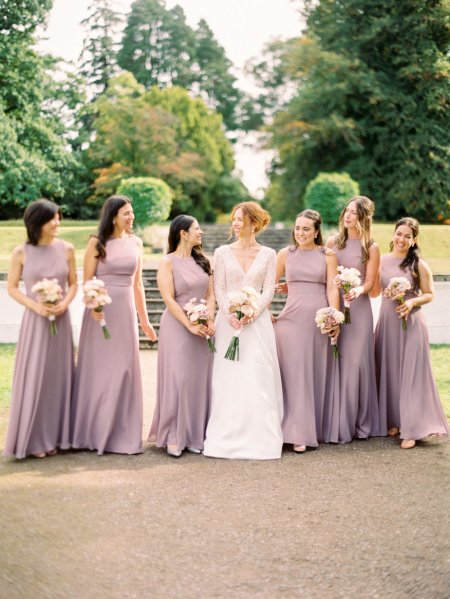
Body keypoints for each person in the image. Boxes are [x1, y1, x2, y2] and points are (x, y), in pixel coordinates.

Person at [71, 195, 157, 455]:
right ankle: (93, 433)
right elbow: (87, 281)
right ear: (112, 217)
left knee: (124, 370)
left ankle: (122, 436)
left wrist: (145, 321)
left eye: (132, 213)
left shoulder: (137, 243)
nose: (131, 218)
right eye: (126, 214)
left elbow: (138, 285)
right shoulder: (97, 243)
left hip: (126, 312)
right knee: (99, 371)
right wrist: (93, 305)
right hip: (100, 313)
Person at [203, 202, 283, 460]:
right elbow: (220, 288)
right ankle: (227, 434)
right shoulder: (222, 252)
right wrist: (229, 313)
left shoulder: (269, 254)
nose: (235, 224)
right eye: (234, 219)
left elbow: (268, 289)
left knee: (258, 375)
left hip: (257, 325)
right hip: (229, 324)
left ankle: (260, 437)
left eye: (240, 219)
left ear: (254, 223)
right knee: (229, 377)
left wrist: (253, 311)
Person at [4, 199, 77, 459]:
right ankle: (34, 439)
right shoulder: (20, 252)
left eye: (59, 217)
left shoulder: (67, 249)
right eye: (52, 219)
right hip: (35, 322)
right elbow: (12, 288)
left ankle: (59, 437)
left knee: (58, 376)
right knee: (36, 375)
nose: (58, 223)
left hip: (61, 320)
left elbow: (73, 285)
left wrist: (64, 305)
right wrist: (36, 307)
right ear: (37, 223)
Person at [372, 217, 448, 449]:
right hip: (387, 321)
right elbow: (375, 291)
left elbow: (429, 294)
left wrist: (412, 302)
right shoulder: (382, 261)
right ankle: (395, 420)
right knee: (390, 370)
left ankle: (412, 429)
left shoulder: (418, 265)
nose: (401, 239)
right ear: (393, 234)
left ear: (414, 240)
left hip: (411, 322)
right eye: (399, 233)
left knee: (411, 373)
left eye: (407, 236)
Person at [274, 209, 340, 452]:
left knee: (311, 375)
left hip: (317, 321)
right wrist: (261, 311)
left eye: (306, 229)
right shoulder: (285, 254)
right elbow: (267, 286)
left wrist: (334, 317)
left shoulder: (328, 254)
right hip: (290, 321)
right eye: (297, 228)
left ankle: (307, 430)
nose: (300, 233)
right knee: (293, 376)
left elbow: (333, 289)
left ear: (316, 232)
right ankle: (293, 431)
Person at [149, 215, 215, 458]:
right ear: (183, 233)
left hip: (202, 329)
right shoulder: (167, 262)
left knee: (199, 380)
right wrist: (189, 324)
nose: (201, 232)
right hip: (178, 327)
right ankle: (174, 435)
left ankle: (195, 435)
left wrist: (208, 318)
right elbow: (168, 298)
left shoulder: (204, 261)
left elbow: (210, 295)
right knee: (179, 379)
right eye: (197, 229)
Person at [325, 196, 382, 442]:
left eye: (354, 213)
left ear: (364, 218)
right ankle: (338, 424)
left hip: (359, 310)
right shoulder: (332, 243)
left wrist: (358, 289)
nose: (347, 216)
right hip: (334, 306)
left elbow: (370, 282)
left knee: (357, 364)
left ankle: (361, 422)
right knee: (336, 361)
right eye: (346, 211)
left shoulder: (371, 247)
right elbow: (325, 277)